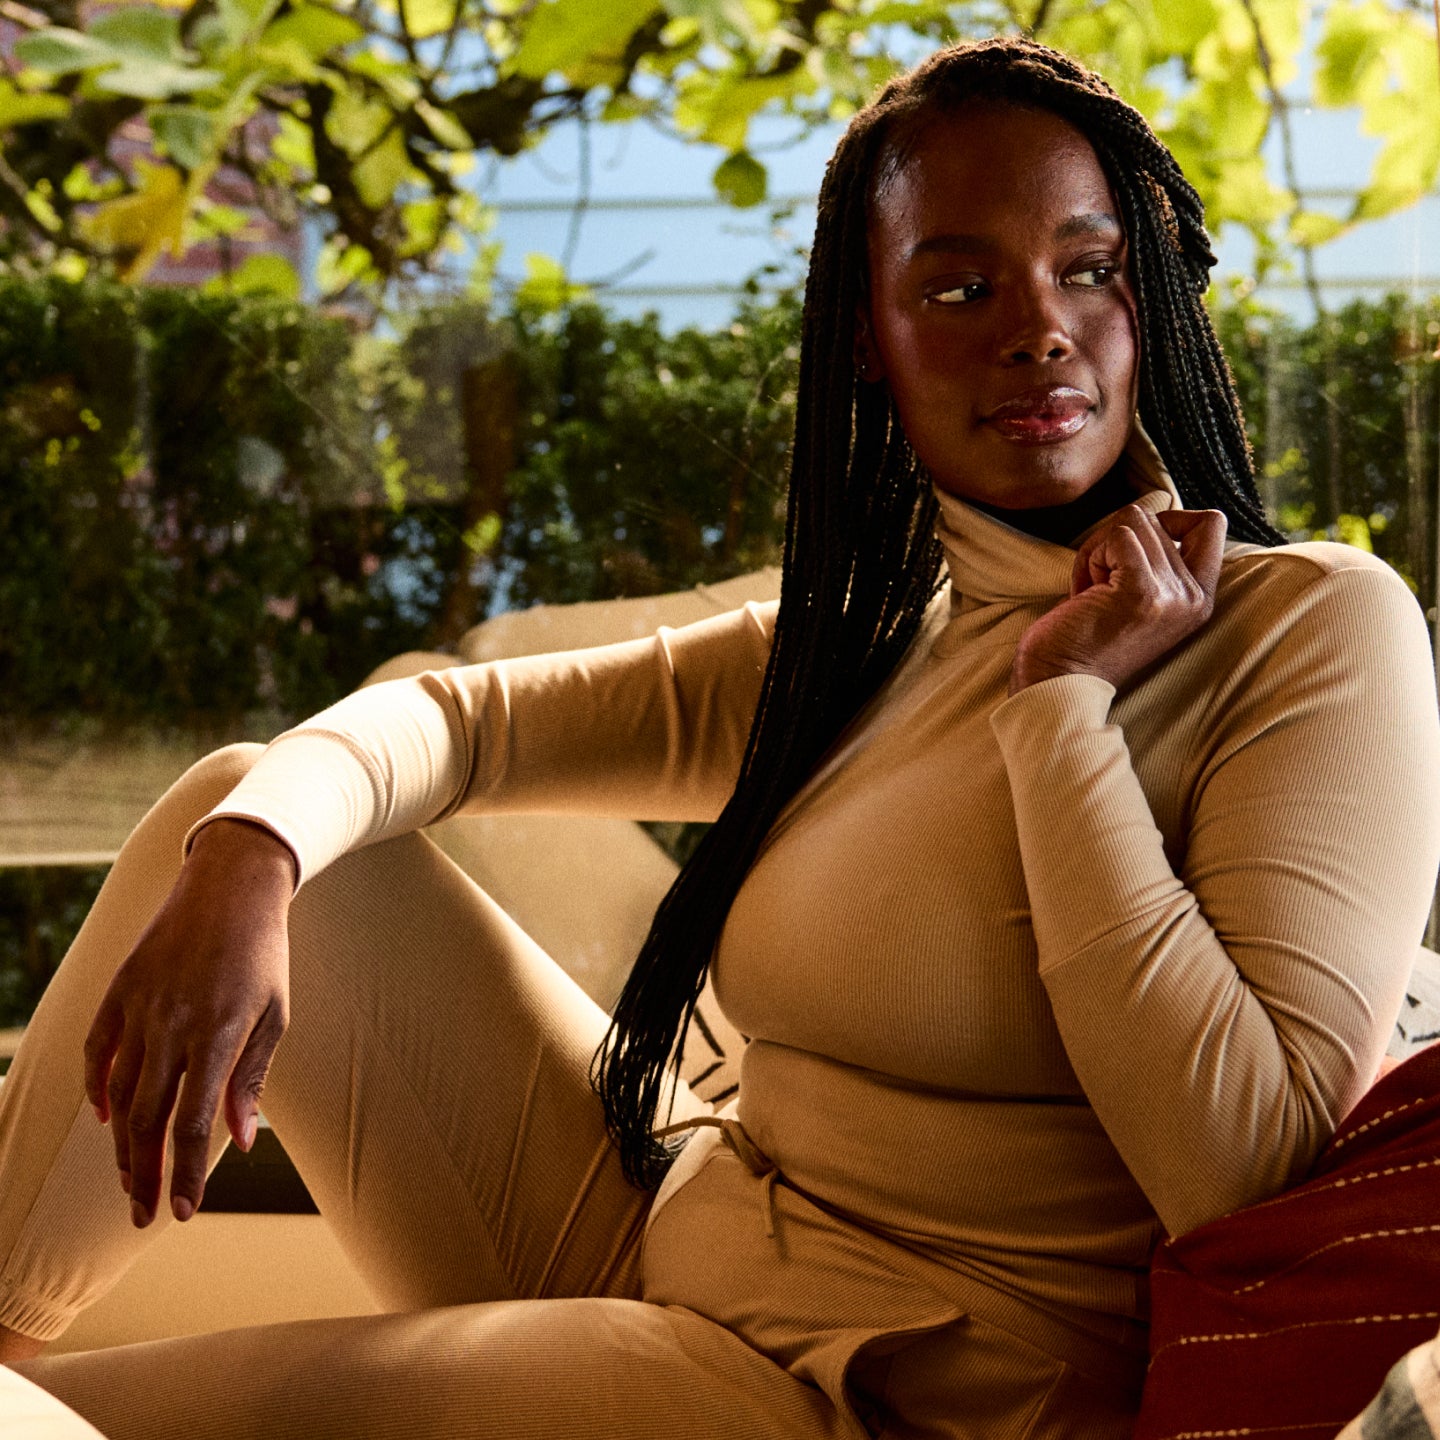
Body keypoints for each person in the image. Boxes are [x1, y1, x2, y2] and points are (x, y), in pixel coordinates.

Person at [2, 34, 1438, 1440]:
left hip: (864, 1399)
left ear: (1151, 298)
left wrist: (1062, 714)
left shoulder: (1308, 627)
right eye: (959, 286)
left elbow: (1237, 1174)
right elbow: (459, 723)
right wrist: (249, 860)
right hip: (668, 1230)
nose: (1039, 327)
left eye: (1089, 267)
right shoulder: (861, 647)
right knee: (251, 806)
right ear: (869, 340)